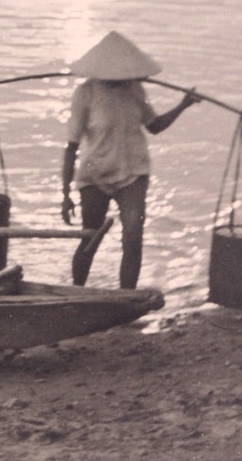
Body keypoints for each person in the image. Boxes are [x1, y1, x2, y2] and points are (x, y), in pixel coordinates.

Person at [60, 31, 200, 289]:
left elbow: (154, 126)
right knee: (90, 238)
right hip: (95, 174)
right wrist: (65, 195)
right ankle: (76, 291)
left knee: (133, 236)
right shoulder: (86, 93)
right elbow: (71, 147)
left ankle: (126, 297)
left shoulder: (136, 89)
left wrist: (183, 105)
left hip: (133, 172)